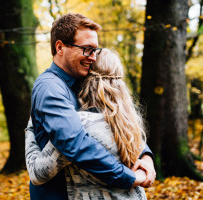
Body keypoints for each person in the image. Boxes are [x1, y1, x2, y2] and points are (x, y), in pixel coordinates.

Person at [27, 13, 156, 200]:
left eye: (95, 50)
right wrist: (127, 177)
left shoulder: (84, 81)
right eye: (87, 49)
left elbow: (118, 119)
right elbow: (73, 142)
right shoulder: (50, 87)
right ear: (60, 47)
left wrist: (146, 157)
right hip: (59, 194)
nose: (93, 57)